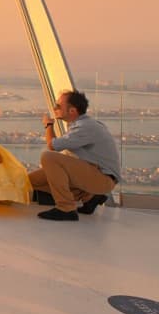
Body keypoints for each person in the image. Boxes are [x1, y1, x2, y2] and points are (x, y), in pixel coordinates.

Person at [30, 89, 121, 221]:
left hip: (103, 179)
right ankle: (89, 197)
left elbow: (52, 146)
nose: (55, 108)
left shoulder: (85, 127)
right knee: (30, 181)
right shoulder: (79, 125)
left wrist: (48, 125)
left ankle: (66, 208)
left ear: (72, 111)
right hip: (95, 175)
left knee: (48, 157)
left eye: (59, 106)